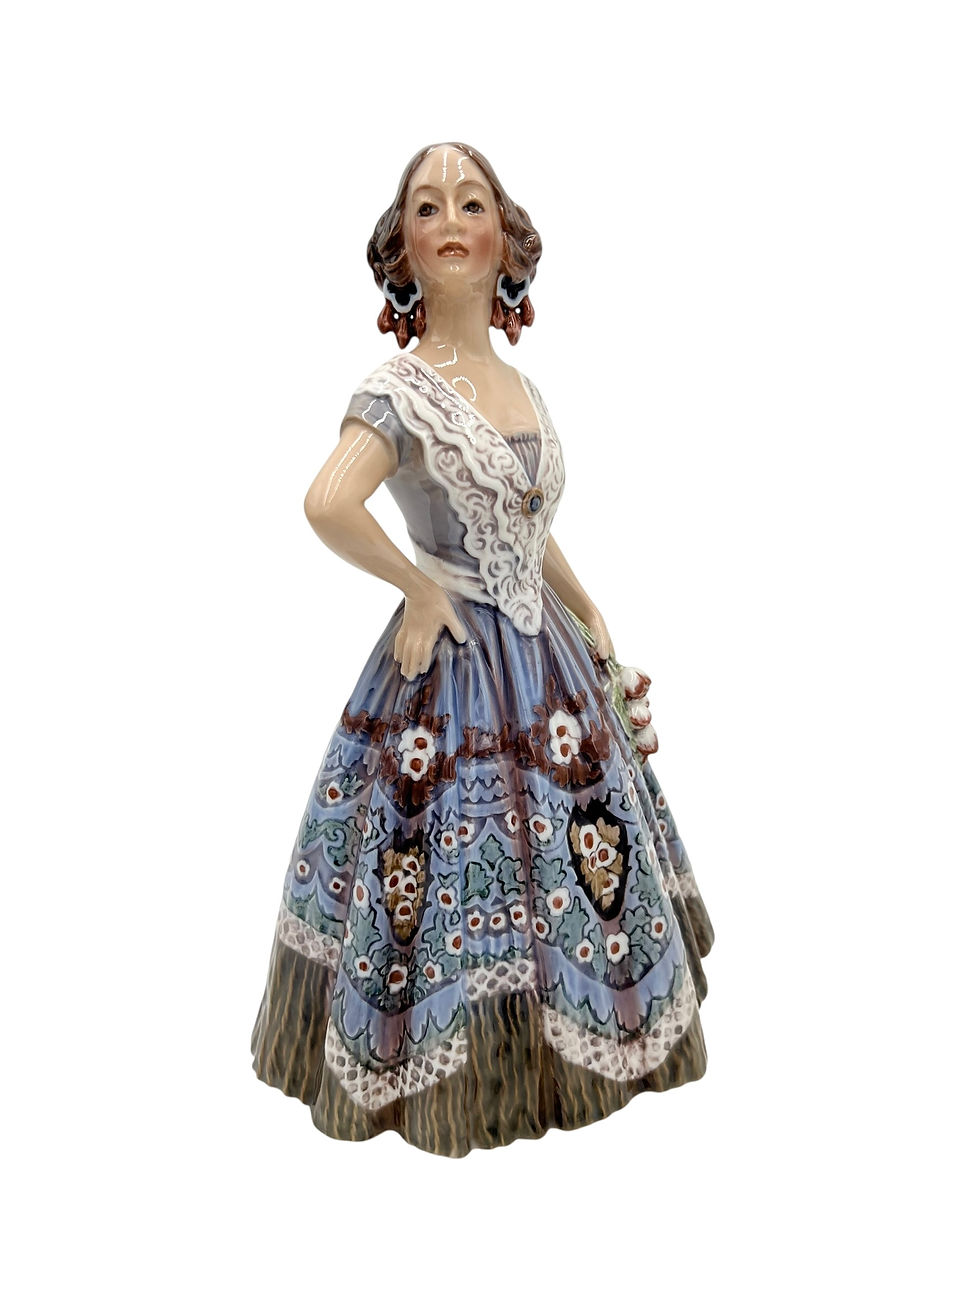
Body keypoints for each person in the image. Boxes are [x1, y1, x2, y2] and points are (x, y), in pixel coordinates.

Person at [250, 142, 714, 1157]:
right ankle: (455, 1067)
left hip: (549, 666)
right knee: (446, 864)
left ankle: (580, 1038)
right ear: (401, 252)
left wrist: (588, 610)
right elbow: (328, 501)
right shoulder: (401, 388)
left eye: (471, 202)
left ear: (506, 239)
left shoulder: (519, 385)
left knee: (578, 851)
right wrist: (417, 585)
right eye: (427, 206)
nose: (451, 220)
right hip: (450, 672)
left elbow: (527, 531)